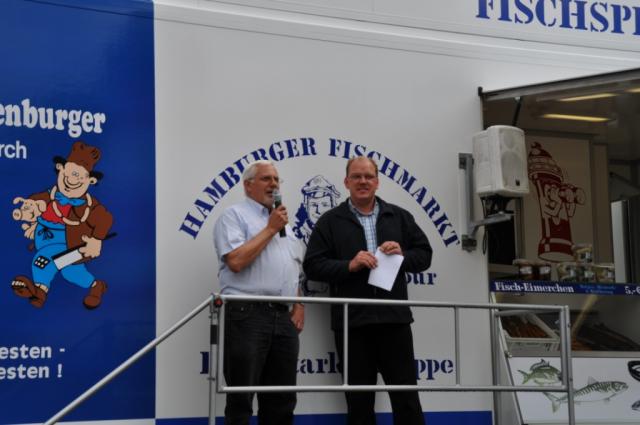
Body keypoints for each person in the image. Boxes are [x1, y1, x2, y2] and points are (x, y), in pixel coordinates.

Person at [303, 156, 432, 425]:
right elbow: (312, 266)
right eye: (357, 176)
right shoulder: (330, 221)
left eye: (368, 176)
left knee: (407, 400)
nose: (363, 181)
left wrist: (402, 256)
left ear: (377, 181)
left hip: (394, 322)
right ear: (346, 182)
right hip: (352, 325)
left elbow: (424, 255)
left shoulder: (399, 216)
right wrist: (348, 265)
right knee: (359, 404)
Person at [213, 160, 305, 425]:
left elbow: (293, 269)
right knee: (241, 399)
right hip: (247, 313)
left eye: (276, 179)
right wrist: (270, 229)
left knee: (282, 401)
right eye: (266, 179)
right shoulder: (234, 216)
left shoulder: (286, 225)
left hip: (284, 317)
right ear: (248, 185)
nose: (273, 184)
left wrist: (299, 304)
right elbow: (236, 261)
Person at [11, 141, 112, 309]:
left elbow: (105, 219)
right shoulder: (48, 196)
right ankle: (96, 286)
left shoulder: (89, 206)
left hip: (70, 245)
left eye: (79, 177)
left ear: (91, 180)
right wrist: (27, 212)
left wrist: (96, 240)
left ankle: (40, 291)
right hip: (44, 240)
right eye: (69, 174)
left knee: (43, 260)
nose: (72, 180)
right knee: (71, 271)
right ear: (60, 169)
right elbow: (31, 203)